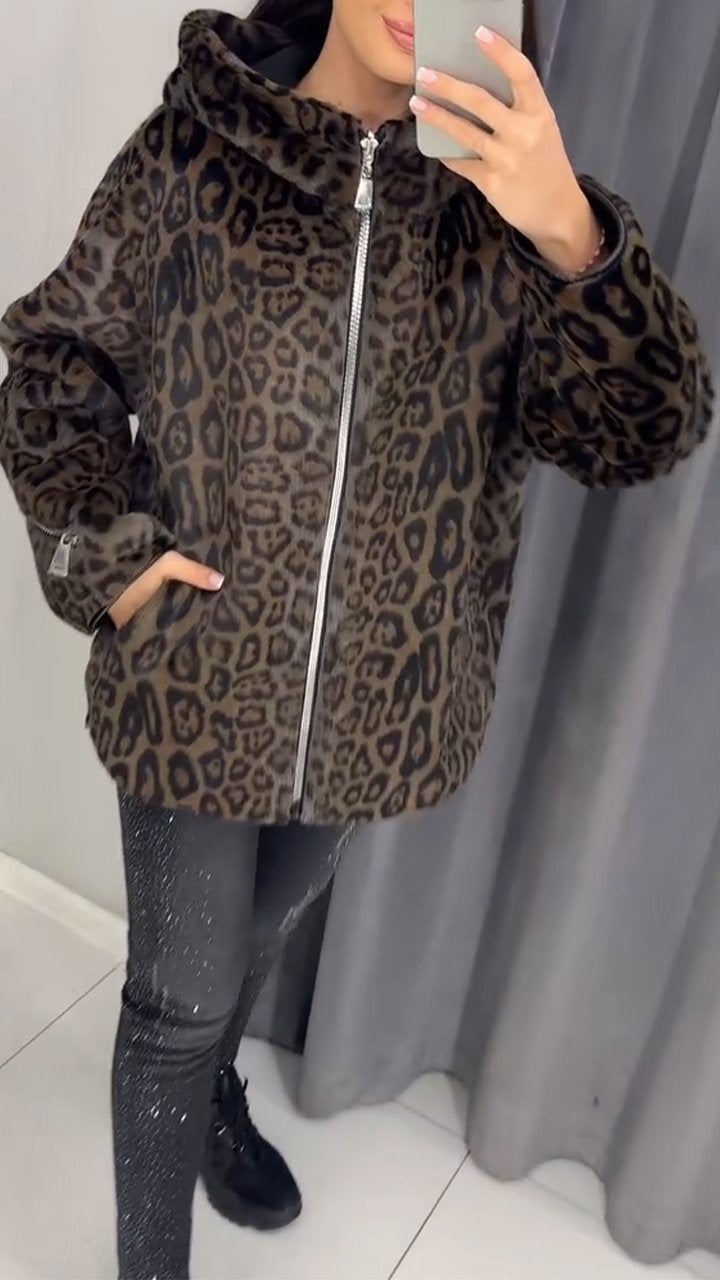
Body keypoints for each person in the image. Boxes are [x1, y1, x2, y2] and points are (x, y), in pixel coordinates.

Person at [0, 2, 713, 1277]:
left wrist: (569, 233)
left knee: (256, 936)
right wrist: (109, 562)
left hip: (385, 708)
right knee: (177, 997)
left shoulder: (505, 216)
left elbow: (643, 432)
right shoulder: (192, 151)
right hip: (197, 684)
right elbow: (54, 362)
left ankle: (214, 1087)